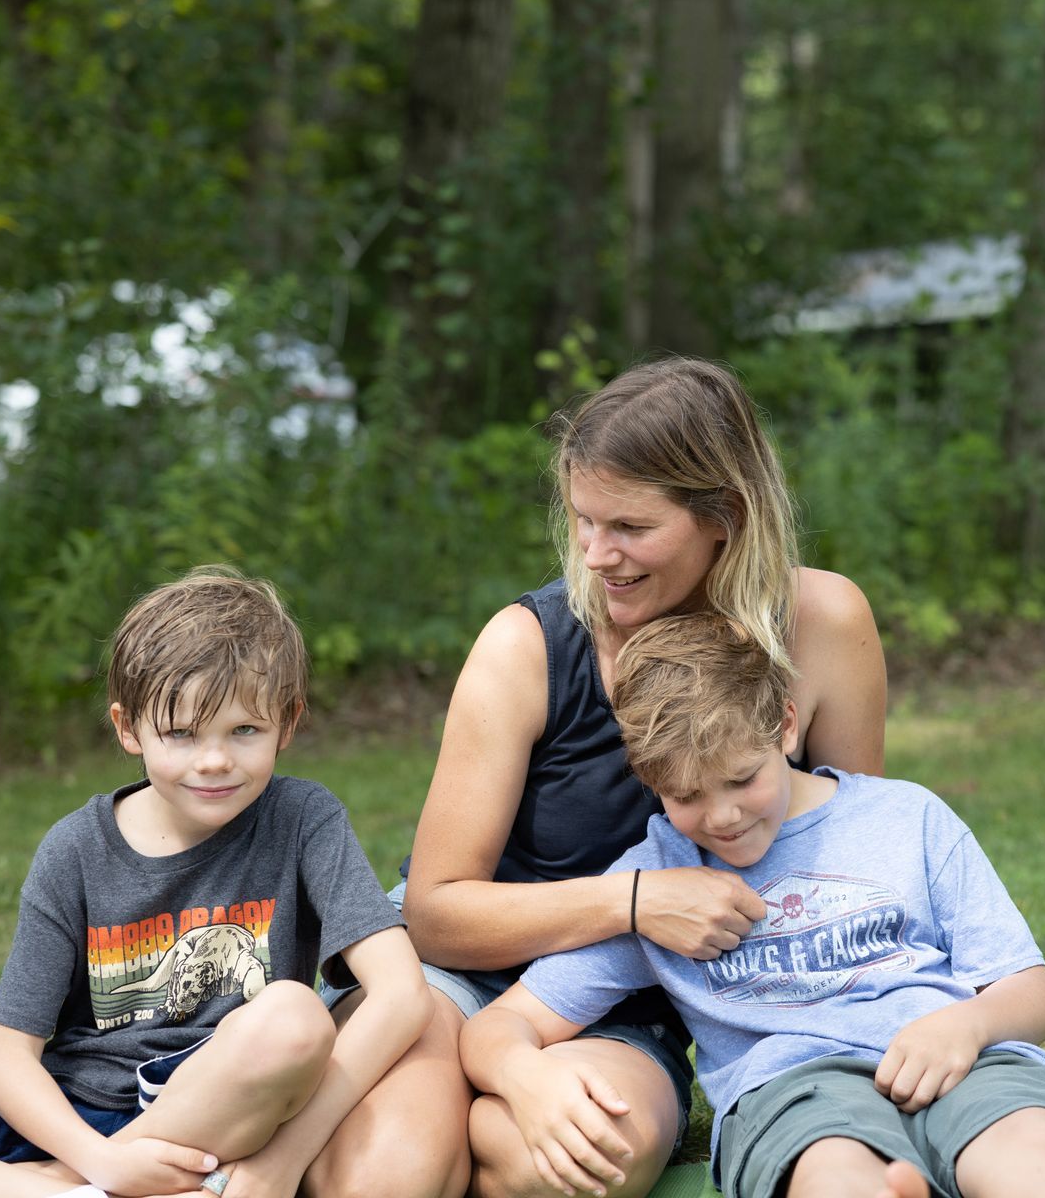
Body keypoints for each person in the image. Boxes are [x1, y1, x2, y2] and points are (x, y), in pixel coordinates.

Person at [323, 357, 889, 1198]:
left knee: (590, 1162)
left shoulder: (820, 626)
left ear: (724, 515)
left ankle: (459, 1109)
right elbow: (436, 912)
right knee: (390, 1179)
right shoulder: (526, 645)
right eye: (584, 522)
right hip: (455, 974)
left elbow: (849, 863)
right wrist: (637, 902)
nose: (597, 554)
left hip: (622, 998)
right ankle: (433, 1112)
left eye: (629, 527)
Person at [461, 613, 1045, 1198]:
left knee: (1031, 1151)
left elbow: (1033, 992)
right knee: (830, 1175)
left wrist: (968, 1027)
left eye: (741, 778)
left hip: (962, 1057)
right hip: (795, 1090)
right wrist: (525, 1080)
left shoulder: (907, 817)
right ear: (649, 780)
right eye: (686, 796)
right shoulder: (658, 881)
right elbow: (500, 1027)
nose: (722, 817)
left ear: (786, 726)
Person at [0, 567, 430, 1198]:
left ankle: (59, 1186)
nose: (214, 760)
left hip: (216, 1109)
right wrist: (97, 1159)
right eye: (181, 733)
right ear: (128, 727)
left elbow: (402, 995)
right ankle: (74, 1189)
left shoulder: (303, 820)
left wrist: (287, 1160)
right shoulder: (75, 849)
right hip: (73, 1108)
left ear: (288, 723)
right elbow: (5, 1059)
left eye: (244, 730)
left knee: (296, 1019)